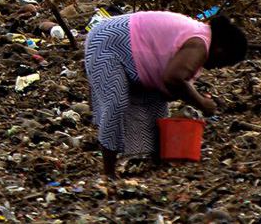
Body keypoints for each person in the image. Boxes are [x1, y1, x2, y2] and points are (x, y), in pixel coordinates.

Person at [83, 11, 248, 178]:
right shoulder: (200, 45)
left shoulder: (200, 36)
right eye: (225, 62)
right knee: (115, 104)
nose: (219, 68)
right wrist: (201, 103)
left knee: (156, 106)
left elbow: (170, 84)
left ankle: (152, 164)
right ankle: (108, 174)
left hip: (125, 43)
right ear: (221, 49)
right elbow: (173, 78)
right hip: (108, 40)